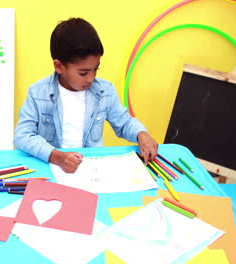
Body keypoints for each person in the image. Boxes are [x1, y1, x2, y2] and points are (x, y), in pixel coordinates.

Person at [14, 17, 158, 173]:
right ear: (59, 66)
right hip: (51, 167)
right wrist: (57, 156)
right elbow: (23, 136)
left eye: (96, 69)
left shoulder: (104, 91)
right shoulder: (37, 93)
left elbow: (123, 122)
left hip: (90, 170)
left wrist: (141, 134)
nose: (91, 78)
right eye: (83, 73)